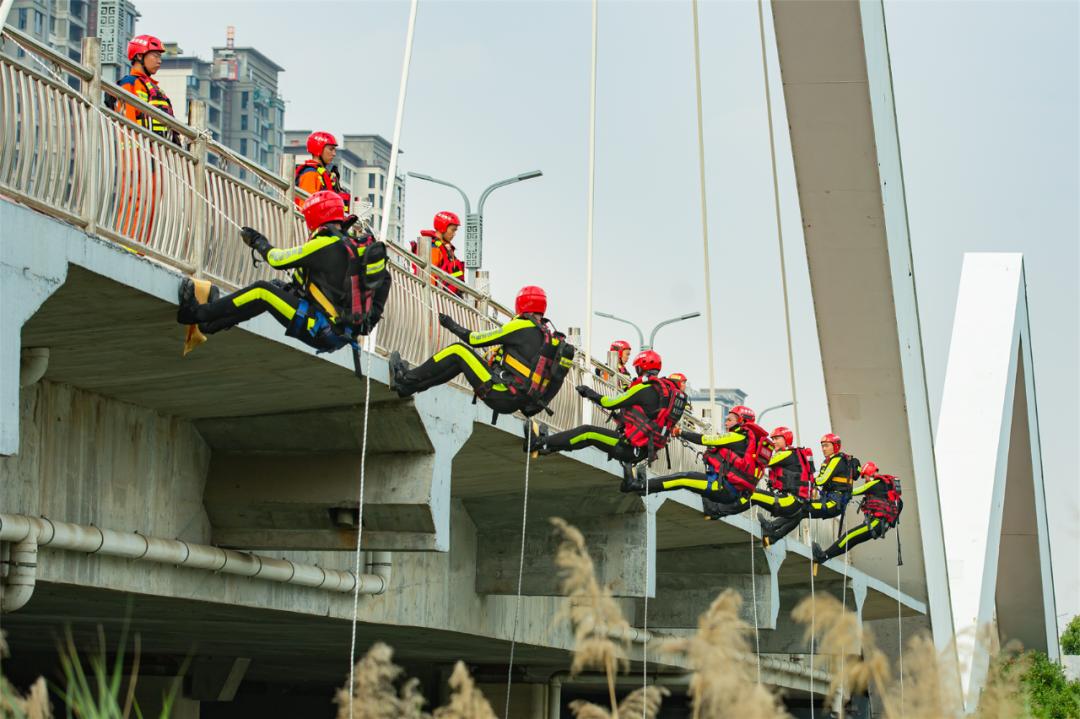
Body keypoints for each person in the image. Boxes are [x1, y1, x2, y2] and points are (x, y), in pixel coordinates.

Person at [176, 191, 390, 353]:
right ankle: (211, 323)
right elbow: (382, 283)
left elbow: (277, 260)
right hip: (339, 334)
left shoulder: (324, 243)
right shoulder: (353, 247)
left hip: (320, 328)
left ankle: (195, 314)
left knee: (262, 291)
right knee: (276, 288)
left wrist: (258, 241)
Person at [388, 286, 574, 418]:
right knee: (460, 362)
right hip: (516, 400)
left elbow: (475, 340)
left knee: (458, 351)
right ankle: (411, 387)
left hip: (503, 393)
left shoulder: (520, 325)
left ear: (520, 304)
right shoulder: (550, 339)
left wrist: (451, 325)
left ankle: (405, 379)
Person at [530, 350, 686, 466]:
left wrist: (589, 393)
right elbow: (648, 417)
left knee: (587, 432)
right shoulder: (665, 394)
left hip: (629, 447)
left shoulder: (644, 388)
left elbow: (609, 403)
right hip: (643, 450)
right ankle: (548, 448)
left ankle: (541, 443)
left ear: (641, 368)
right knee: (589, 438)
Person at [620, 405, 771, 518]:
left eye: (729, 420)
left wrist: (680, 432)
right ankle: (643, 486)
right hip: (732, 492)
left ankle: (638, 486)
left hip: (722, 488)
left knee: (683, 478)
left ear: (741, 421)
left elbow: (705, 439)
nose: (726, 423)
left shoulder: (738, 437)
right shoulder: (750, 443)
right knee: (684, 478)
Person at [759, 432, 864, 545]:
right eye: (822, 446)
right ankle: (773, 537)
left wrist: (802, 481)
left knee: (801, 509)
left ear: (836, 446)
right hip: (829, 501)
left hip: (833, 503)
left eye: (827, 445)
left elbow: (822, 480)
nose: (823, 449)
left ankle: (772, 527)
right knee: (800, 512)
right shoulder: (829, 461)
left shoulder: (837, 460)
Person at [813, 463, 902, 563]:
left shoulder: (874, 484)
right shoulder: (886, 487)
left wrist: (831, 489)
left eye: (865, 476)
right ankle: (825, 556)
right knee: (851, 541)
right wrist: (890, 524)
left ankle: (823, 556)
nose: (865, 479)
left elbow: (852, 492)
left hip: (875, 523)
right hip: (881, 526)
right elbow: (900, 504)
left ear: (870, 473)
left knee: (849, 536)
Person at [757, 427, 816, 546]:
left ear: (786, 439)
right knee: (796, 516)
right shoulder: (796, 454)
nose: (773, 441)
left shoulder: (786, 454)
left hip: (792, 498)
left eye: (777, 439)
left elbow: (763, 461)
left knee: (753, 493)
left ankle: (771, 528)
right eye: (773, 439)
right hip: (803, 499)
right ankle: (772, 537)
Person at [115, 35, 178, 143]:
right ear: (140, 56)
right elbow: (128, 122)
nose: (159, 61)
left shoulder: (156, 90)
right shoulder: (129, 83)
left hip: (159, 149)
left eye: (160, 57)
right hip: (139, 148)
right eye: (155, 56)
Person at [294, 131, 350, 212]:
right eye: (331, 149)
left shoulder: (325, 174)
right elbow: (307, 208)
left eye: (334, 150)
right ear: (319, 149)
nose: (334, 154)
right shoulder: (310, 174)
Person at [430, 211, 465, 294]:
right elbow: (430, 275)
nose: (454, 234)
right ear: (442, 228)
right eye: (452, 230)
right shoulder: (434, 248)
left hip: (450, 295)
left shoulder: (447, 248)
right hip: (438, 295)